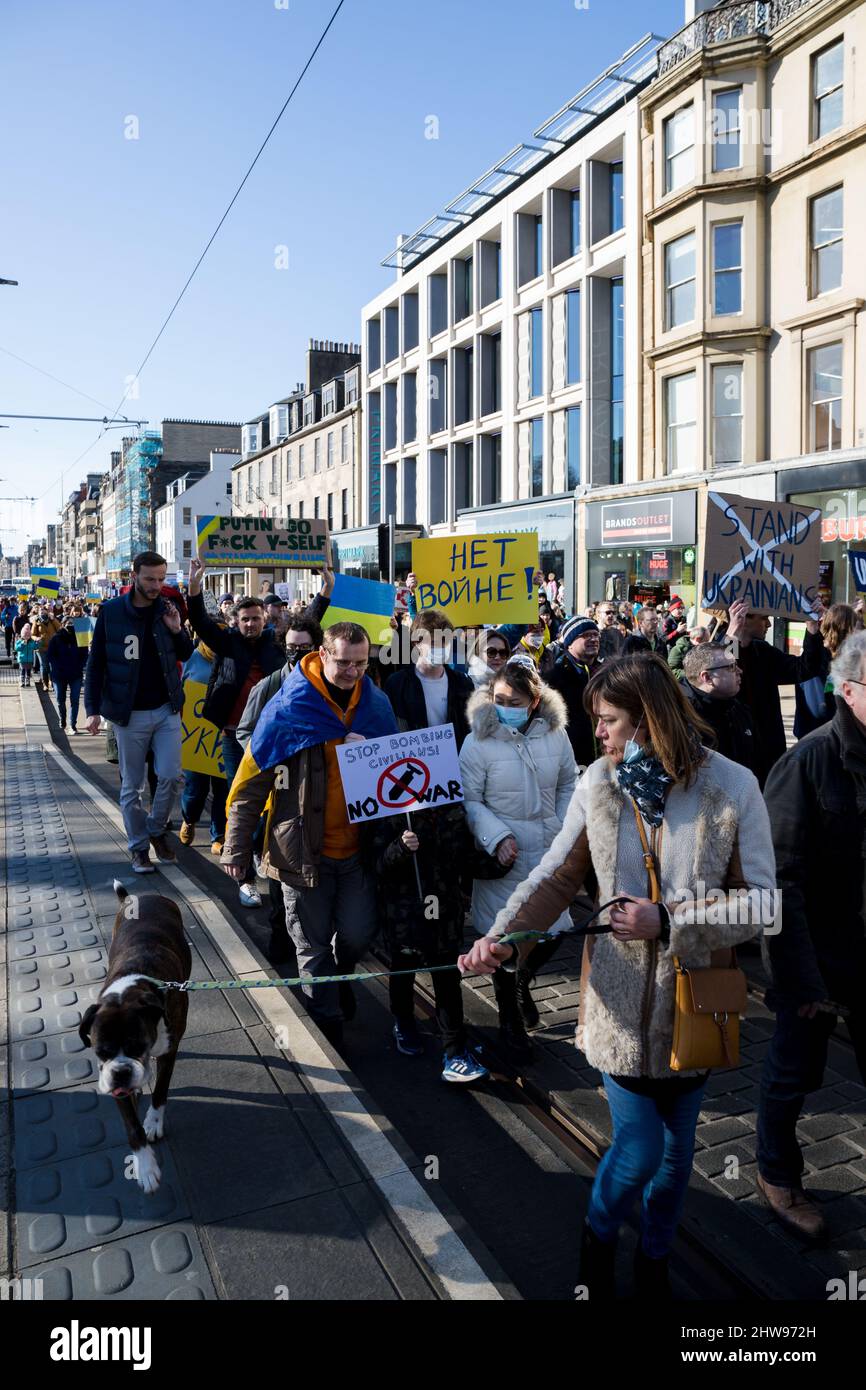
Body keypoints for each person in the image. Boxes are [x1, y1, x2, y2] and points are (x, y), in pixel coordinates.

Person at [459, 654, 775, 1297]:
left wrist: (672, 920)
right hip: (619, 1004)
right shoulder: (598, 785)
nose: (596, 734)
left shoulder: (733, 786)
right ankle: (597, 1248)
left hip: (695, 1006)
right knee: (638, 1151)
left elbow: (766, 904)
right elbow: (554, 875)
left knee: (678, 1155)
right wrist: (499, 940)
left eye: (607, 721)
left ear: (648, 720)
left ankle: (654, 1262)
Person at [221, 623, 397, 1048]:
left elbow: (400, 774)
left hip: (357, 851)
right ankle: (330, 1028)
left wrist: (369, 752)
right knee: (312, 947)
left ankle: (340, 980)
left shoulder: (376, 705)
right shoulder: (289, 706)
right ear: (322, 652)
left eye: (361, 662)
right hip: (299, 851)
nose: (353, 671)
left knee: (357, 935)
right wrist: (236, 845)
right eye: (344, 662)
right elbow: (249, 783)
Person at [757, 630, 866, 1241]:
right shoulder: (809, 761)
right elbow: (779, 878)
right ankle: (777, 1172)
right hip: (819, 956)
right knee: (793, 1071)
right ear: (847, 691)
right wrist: (797, 975)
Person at [459, 655, 577, 1059]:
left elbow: (567, 782)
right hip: (503, 855)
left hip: (548, 846)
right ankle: (510, 1023)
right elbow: (470, 799)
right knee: (503, 940)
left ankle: (525, 977)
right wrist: (496, 835)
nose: (504, 706)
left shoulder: (555, 734)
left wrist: (563, 825)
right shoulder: (478, 739)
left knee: (554, 931)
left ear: (533, 700)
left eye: (514, 700)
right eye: (498, 698)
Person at [83, 551, 192, 873]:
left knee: (171, 776)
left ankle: (156, 829)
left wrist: (177, 629)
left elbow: (187, 653)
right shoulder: (112, 612)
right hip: (128, 715)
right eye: (150, 579)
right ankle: (138, 848)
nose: (157, 585)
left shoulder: (168, 609)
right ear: (134, 576)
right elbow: (97, 662)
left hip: (167, 708)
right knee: (133, 787)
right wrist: (92, 710)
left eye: (161, 578)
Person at [186, 557, 285, 908]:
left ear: (265, 620)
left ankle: (255, 849)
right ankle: (243, 879)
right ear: (236, 622)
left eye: (257, 618)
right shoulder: (226, 642)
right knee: (239, 802)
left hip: (272, 740)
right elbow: (197, 619)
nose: (251, 624)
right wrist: (195, 585)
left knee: (271, 804)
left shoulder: (277, 644)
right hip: (232, 737)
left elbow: (313, 623)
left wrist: (327, 590)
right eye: (245, 619)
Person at [371, 806, 489, 1083]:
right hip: (404, 914)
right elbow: (376, 864)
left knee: (447, 978)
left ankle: (455, 1052)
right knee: (403, 971)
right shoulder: (387, 811)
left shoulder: (452, 810)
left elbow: (466, 858)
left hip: (445, 913)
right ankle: (403, 1021)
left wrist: (499, 863)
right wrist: (399, 848)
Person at [235, 614, 324, 962]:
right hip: (280, 792)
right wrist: (266, 765)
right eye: (291, 649)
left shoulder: (328, 685)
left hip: (316, 796)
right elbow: (245, 731)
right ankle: (280, 935)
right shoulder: (268, 687)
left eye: (305, 649)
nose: (298, 655)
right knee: (279, 864)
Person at [724, 598, 825, 787]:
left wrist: (812, 630)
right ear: (744, 619)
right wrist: (731, 635)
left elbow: (802, 669)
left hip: (767, 747)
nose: (769, 624)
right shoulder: (720, 650)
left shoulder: (763, 651)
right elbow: (725, 671)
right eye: (764, 618)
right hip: (736, 750)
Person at [384, 611, 474, 750]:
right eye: (433, 642)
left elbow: (469, 729)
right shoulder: (396, 684)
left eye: (445, 641)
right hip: (414, 763)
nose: (441, 648)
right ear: (417, 643)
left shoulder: (463, 683)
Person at [680, 643, 759, 776]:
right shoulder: (681, 718)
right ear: (707, 677)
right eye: (731, 667)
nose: (740, 671)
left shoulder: (736, 707)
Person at [793, 602, 860, 739]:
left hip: (816, 734)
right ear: (847, 629)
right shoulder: (818, 656)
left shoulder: (815, 651)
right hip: (823, 734)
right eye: (856, 626)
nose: (858, 631)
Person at [547, 617, 603, 769]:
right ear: (570, 642)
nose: (594, 639)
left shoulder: (603, 671)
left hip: (600, 758)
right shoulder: (555, 676)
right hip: (571, 761)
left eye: (596, 634)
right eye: (586, 635)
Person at [46, 617, 89, 732]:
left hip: (75, 675)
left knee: (75, 700)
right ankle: (62, 719)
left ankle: (73, 724)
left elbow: (85, 654)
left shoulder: (81, 637)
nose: (70, 625)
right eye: (68, 623)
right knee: (60, 699)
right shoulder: (56, 638)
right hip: (59, 675)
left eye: (72, 623)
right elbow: (50, 655)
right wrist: (57, 667)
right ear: (63, 624)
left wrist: (80, 666)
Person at [33, 606, 62, 689]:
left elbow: (60, 629)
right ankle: (45, 684)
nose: (42, 613)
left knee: (52, 666)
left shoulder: (52, 620)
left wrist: (53, 619)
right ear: (38, 613)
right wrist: (36, 638)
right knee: (44, 666)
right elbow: (32, 634)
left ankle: (51, 683)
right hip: (41, 648)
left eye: (44, 611)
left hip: (53, 647)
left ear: (47, 612)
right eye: (40, 612)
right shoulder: (37, 621)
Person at [15, 622, 39, 686]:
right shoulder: (20, 641)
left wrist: (38, 642)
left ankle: (28, 681)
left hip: (30, 659)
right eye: (25, 635)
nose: (26, 637)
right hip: (22, 659)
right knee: (23, 670)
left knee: (28, 670)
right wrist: (22, 643)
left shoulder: (31, 641)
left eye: (28, 635)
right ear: (22, 635)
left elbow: (35, 647)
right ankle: (22, 681)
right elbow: (17, 648)